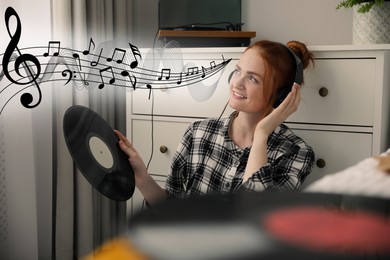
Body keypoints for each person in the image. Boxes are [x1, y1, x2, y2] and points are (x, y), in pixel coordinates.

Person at [115, 39, 315, 205]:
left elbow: (257, 215)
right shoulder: (198, 133)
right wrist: (141, 177)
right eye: (238, 71)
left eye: (253, 79)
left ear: (281, 96)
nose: (236, 83)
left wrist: (262, 134)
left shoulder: (296, 152)